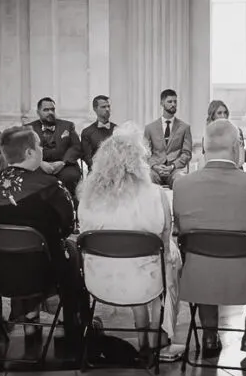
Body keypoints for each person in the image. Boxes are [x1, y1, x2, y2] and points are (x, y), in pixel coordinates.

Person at [173, 119, 246, 356]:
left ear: (204, 147)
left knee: (200, 257)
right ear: (237, 148)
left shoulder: (181, 186)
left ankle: (210, 336)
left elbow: (181, 234)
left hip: (200, 277)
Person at [0, 126, 89, 353]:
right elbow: (66, 226)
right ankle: (72, 327)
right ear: (29, 153)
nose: (42, 150)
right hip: (42, 271)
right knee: (71, 250)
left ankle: (6, 325)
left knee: (13, 249)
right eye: (39, 145)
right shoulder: (50, 186)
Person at [77, 127, 183, 361]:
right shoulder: (156, 194)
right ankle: (158, 337)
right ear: (139, 163)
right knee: (169, 256)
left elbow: (83, 236)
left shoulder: (87, 198)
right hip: (146, 282)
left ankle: (143, 333)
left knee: (136, 254)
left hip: (100, 281)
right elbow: (164, 243)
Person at [26, 97, 83, 195]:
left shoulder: (68, 126)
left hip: (65, 165)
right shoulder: (29, 128)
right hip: (39, 165)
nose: (50, 112)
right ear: (38, 112)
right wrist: (40, 163)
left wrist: (63, 162)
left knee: (70, 177)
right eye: (46, 110)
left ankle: (69, 206)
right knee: (35, 179)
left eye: (52, 109)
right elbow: (26, 150)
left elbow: (76, 147)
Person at [143, 89, 194, 186]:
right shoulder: (150, 128)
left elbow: (187, 153)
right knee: (147, 178)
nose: (173, 104)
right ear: (162, 103)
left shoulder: (185, 127)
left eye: (175, 101)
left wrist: (172, 166)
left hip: (175, 170)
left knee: (180, 179)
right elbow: (145, 153)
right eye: (170, 101)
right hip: (155, 170)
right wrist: (155, 166)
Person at [80, 95, 116, 171]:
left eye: (108, 106)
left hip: (116, 171)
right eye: (103, 107)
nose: (107, 109)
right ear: (95, 109)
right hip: (96, 172)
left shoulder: (117, 130)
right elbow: (87, 158)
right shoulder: (87, 132)